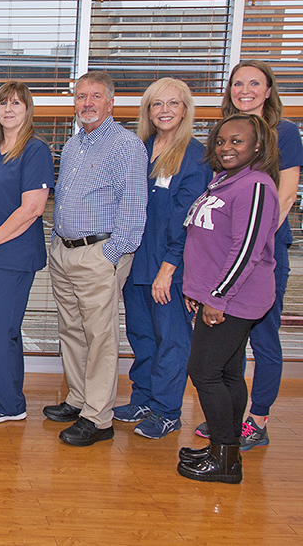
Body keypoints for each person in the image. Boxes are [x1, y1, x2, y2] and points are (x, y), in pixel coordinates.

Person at [194, 61, 303, 450]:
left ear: (269, 90)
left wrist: (250, 246)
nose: (245, 89)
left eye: (255, 83)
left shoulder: (284, 133)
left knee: (265, 336)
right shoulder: (227, 138)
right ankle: (228, 419)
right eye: (238, 83)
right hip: (228, 257)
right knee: (229, 346)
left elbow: (286, 195)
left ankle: (258, 419)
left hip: (262, 252)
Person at [44, 71, 148, 446]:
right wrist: (57, 242)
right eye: (80, 96)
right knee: (72, 330)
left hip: (98, 255)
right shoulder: (74, 145)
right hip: (64, 251)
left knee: (100, 336)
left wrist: (111, 255)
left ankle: (99, 418)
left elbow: (134, 210)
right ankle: (78, 398)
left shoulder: (126, 145)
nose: (86, 103)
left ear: (110, 103)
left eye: (95, 96)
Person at [177, 113, 281, 484]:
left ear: (257, 146)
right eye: (221, 141)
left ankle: (224, 458)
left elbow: (246, 250)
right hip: (216, 296)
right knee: (228, 373)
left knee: (203, 372)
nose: (226, 147)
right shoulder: (224, 181)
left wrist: (217, 298)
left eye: (237, 141)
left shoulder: (256, 186)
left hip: (234, 300)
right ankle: (226, 450)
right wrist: (196, 290)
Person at [112, 78, 212, 439]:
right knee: (141, 335)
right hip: (136, 261)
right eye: (157, 104)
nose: (164, 110)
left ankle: (168, 410)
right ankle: (143, 398)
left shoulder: (196, 157)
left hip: (170, 267)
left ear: (185, 109)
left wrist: (168, 270)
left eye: (172, 103)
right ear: (148, 111)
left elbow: (189, 220)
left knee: (172, 339)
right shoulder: (141, 149)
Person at [0, 81, 52, 423]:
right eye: (3, 103)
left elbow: (32, 208)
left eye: (16, 103)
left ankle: (6, 404)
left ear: (27, 109)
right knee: (1, 329)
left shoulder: (35, 151)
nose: (8, 109)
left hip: (13, 254)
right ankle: (7, 397)